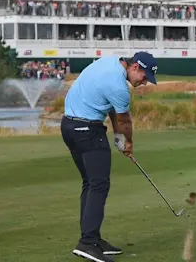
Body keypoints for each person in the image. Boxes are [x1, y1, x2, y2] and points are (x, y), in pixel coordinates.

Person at [61, 52, 158, 262]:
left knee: (90, 183)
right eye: (144, 77)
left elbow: (113, 110)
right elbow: (124, 121)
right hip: (87, 130)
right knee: (99, 185)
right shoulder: (120, 87)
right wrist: (128, 143)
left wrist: (118, 138)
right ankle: (87, 242)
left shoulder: (110, 62)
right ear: (135, 67)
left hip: (68, 126)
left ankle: (93, 239)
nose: (144, 82)